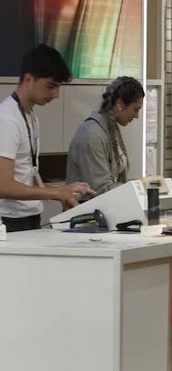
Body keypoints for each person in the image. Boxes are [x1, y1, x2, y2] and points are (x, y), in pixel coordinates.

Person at [0, 44, 92, 232]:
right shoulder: (7, 119)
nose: (56, 95)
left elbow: (27, 173)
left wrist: (64, 192)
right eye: (50, 86)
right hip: (9, 222)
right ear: (28, 79)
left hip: (29, 217)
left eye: (58, 87)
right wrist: (56, 193)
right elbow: (3, 185)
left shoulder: (30, 116)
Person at [65, 76, 144, 195]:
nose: (137, 116)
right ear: (120, 103)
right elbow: (100, 188)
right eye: (136, 109)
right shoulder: (92, 134)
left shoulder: (111, 129)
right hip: (88, 209)